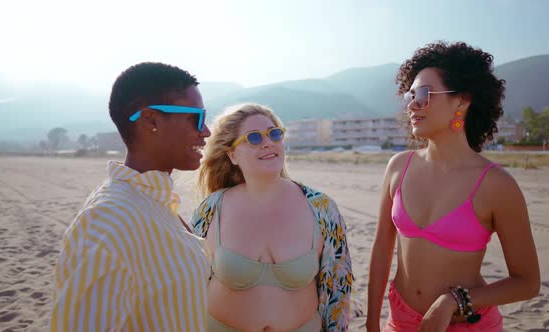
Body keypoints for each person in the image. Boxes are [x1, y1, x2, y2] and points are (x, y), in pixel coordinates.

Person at [366, 42, 540, 332]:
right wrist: (372, 323)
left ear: (461, 101)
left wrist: (453, 301)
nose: (411, 104)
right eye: (410, 95)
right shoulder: (398, 167)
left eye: (423, 94)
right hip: (401, 322)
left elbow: (527, 282)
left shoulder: (496, 185)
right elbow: (382, 250)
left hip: (467, 324)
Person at [51, 62, 212, 331]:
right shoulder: (107, 221)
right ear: (151, 121)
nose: (206, 130)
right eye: (196, 117)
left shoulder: (151, 200)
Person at [190, 103, 353, 331]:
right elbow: (189, 283)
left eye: (274, 134)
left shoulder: (321, 207)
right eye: (254, 138)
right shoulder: (210, 209)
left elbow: (338, 287)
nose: (268, 142)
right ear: (232, 155)